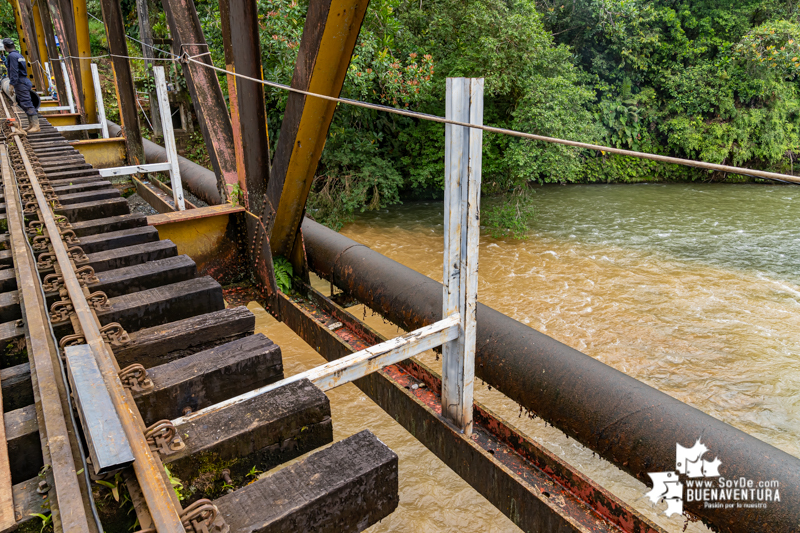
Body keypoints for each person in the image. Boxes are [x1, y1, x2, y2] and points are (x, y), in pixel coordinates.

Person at [3, 38, 39, 133]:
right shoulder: (19, 55)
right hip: (24, 81)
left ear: (5, 47)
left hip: (20, 82)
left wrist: (11, 84)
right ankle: (31, 124)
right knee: (24, 103)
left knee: (27, 103)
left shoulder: (11, 56)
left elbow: (14, 71)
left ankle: (36, 125)